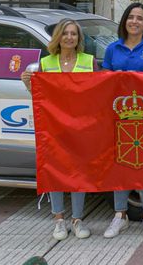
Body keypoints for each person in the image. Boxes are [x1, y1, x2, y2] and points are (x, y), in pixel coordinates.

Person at [22, 19, 95, 241]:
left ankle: (77, 219)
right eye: (65, 33)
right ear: (58, 38)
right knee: (55, 171)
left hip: (81, 127)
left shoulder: (89, 61)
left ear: (79, 38)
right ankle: (59, 220)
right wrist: (29, 85)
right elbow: (41, 98)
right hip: (54, 128)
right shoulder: (46, 63)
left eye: (74, 34)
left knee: (79, 172)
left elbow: (97, 94)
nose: (70, 37)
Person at [100, 2, 143, 240]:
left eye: (140, 18)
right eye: (131, 17)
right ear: (124, 21)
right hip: (118, 117)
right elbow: (103, 84)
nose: (135, 22)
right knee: (119, 165)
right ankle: (120, 215)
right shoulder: (112, 49)